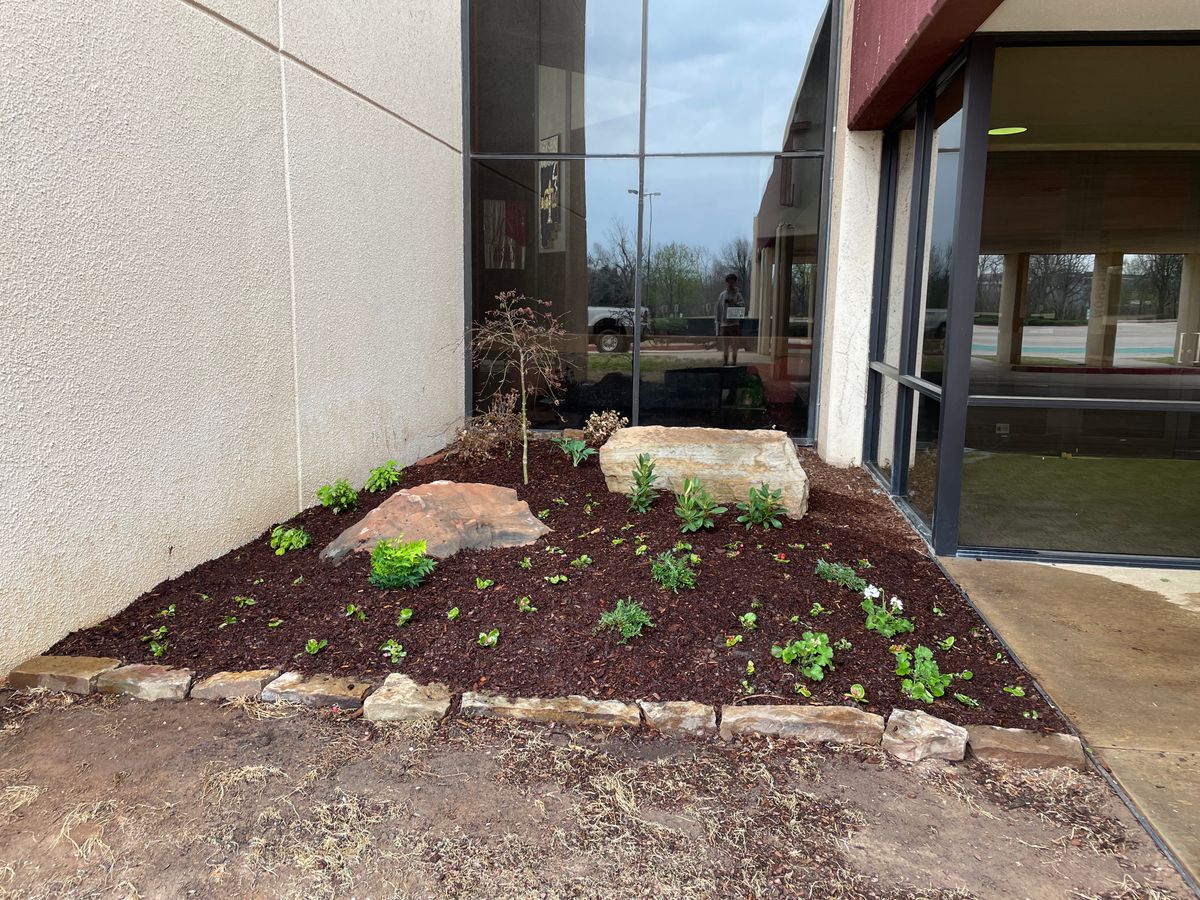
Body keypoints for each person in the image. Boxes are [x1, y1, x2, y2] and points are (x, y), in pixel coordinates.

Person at [714, 273, 747, 366]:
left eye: (732, 282)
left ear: (735, 282)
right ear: (726, 283)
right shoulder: (722, 295)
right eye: (729, 282)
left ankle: (734, 363)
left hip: (734, 325)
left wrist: (735, 303)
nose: (730, 284)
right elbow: (718, 312)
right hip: (724, 325)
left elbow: (743, 308)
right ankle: (725, 362)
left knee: (734, 346)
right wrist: (717, 327)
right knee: (725, 346)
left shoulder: (738, 295)